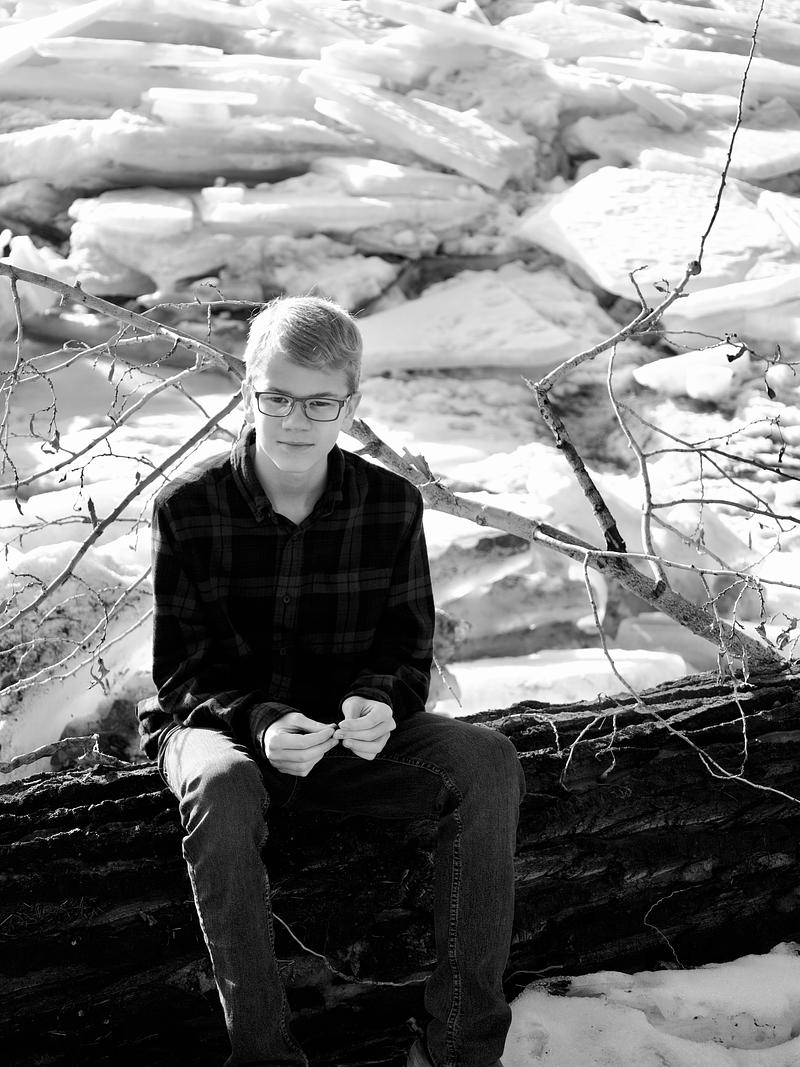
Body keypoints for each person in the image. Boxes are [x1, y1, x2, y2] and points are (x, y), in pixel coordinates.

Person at [136, 295, 526, 1067]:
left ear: (351, 404)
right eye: (276, 397)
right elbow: (181, 672)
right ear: (248, 390)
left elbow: (407, 648)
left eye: (320, 402)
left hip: (342, 741)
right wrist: (261, 720)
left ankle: (461, 1046)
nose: (295, 420)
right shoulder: (187, 507)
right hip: (218, 730)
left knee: (486, 759)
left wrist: (378, 699)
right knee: (221, 785)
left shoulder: (390, 504)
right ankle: (265, 1055)